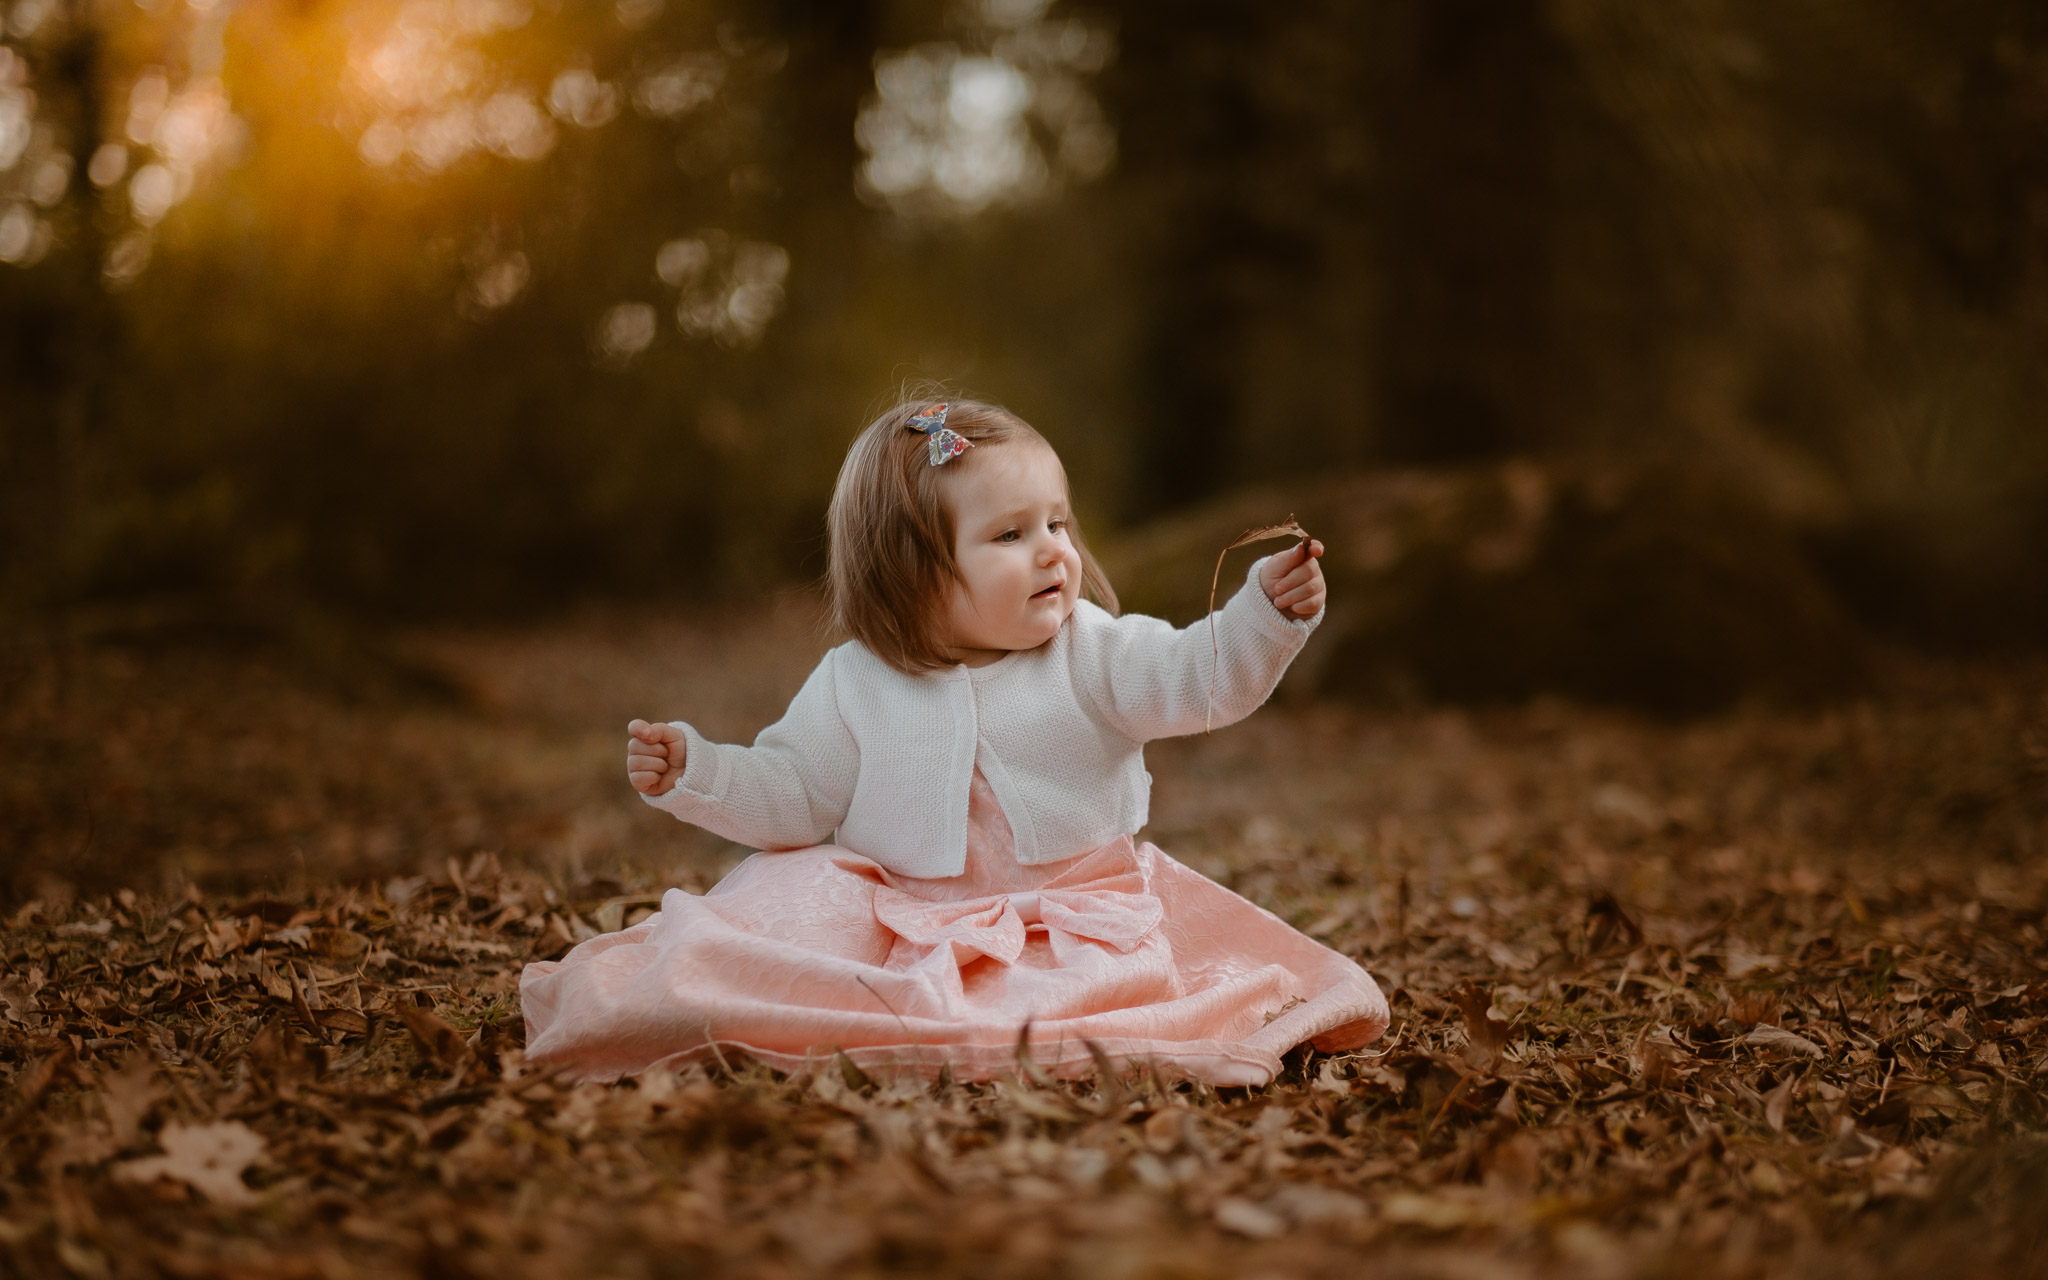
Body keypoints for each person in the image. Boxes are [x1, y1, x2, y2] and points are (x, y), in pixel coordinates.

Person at [519, 397, 1389, 1085]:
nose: (1052, 551)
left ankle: (1015, 1031)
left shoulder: (1091, 650)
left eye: (1057, 522)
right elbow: (795, 793)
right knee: (774, 922)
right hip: (901, 917)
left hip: (1066, 919)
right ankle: (868, 1017)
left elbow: (1199, 677)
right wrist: (700, 770)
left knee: (1073, 1002)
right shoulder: (859, 680)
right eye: (1010, 535)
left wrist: (1261, 617)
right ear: (913, 577)